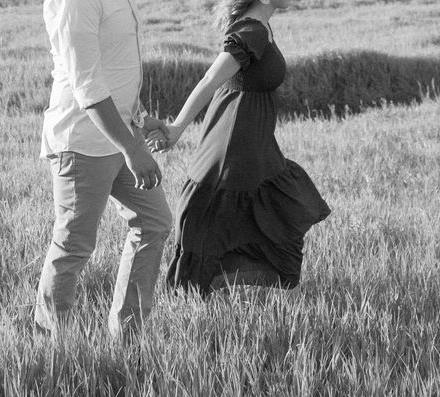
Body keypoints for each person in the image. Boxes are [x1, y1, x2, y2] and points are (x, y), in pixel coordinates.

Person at [150, 0, 331, 296]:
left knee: (277, 213)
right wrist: (177, 128)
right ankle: (198, 293)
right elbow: (211, 78)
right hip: (235, 143)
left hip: (255, 143)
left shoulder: (262, 27)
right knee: (220, 213)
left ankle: (236, 289)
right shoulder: (251, 31)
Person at [34, 0, 172, 339]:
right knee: (74, 245)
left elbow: (116, 71)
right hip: (82, 142)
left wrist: (139, 119)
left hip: (120, 135)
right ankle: (57, 344)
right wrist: (132, 148)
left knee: (154, 223)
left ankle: (126, 337)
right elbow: (88, 84)